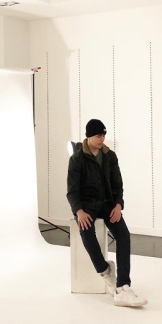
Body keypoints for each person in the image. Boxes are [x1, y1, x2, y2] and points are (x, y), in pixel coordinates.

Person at [67, 119, 147, 308]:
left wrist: (118, 205)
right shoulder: (77, 158)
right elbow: (72, 191)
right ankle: (104, 271)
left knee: (124, 235)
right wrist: (79, 211)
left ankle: (123, 286)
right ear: (89, 136)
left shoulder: (110, 156)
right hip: (87, 205)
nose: (102, 138)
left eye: (103, 135)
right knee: (86, 231)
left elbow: (118, 184)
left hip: (108, 204)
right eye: (98, 135)